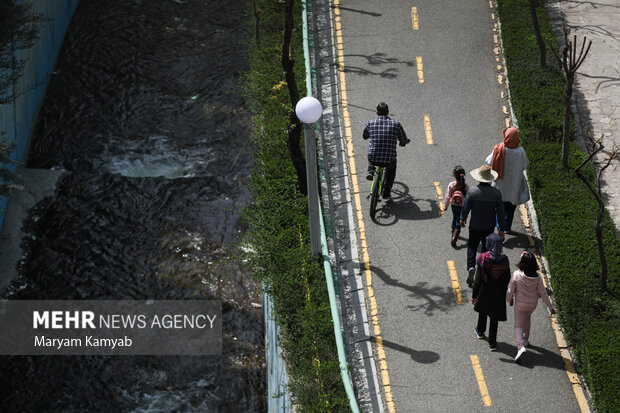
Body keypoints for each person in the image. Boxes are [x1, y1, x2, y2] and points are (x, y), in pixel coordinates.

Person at [460, 165, 506, 286]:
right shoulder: (496, 193)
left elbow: (466, 207)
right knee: (486, 250)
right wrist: (501, 228)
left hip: (474, 225)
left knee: (472, 246)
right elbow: (501, 212)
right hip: (489, 227)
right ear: (490, 179)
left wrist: (462, 218)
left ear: (479, 178)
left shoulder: (473, 191)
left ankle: (471, 267)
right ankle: (482, 270)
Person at [506, 251, 556, 362]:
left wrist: (509, 300)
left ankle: (520, 346)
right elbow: (543, 293)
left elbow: (510, 290)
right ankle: (525, 340)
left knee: (518, 325)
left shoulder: (516, 275)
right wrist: (550, 307)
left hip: (520, 304)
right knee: (527, 318)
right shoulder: (537, 277)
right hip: (532, 304)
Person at [486, 127, 530, 233]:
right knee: (510, 208)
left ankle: (499, 225)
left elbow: (488, 161)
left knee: (499, 206)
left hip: (500, 184)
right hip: (515, 185)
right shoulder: (521, 151)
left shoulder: (499, 149)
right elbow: (525, 165)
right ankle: (507, 227)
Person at [471, 233, 511, 351]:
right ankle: (492, 343)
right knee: (494, 318)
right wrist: (508, 294)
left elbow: (478, 280)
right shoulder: (504, 260)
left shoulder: (483, 258)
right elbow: (507, 279)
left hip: (484, 291)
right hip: (498, 293)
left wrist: (474, 296)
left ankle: (480, 331)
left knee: (483, 312)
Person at [363, 102, 410, 198]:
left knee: (371, 154)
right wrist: (403, 143)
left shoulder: (370, 123)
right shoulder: (396, 124)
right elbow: (403, 139)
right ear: (388, 112)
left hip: (374, 157)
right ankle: (386, 193)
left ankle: (371, 171)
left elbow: (365, 136)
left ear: (377, 112)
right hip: (388, 160)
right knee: (391, 171)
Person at [444, 165, 469, 248]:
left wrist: (445, 206)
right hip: (462, 206)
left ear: (454, 175)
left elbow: (448, 196)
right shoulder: (465, 186)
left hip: (453, 205)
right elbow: (468, 198)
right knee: (459, 219)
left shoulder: (451, 185)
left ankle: (453, 233)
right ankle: (455, 235)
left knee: (455, 217)